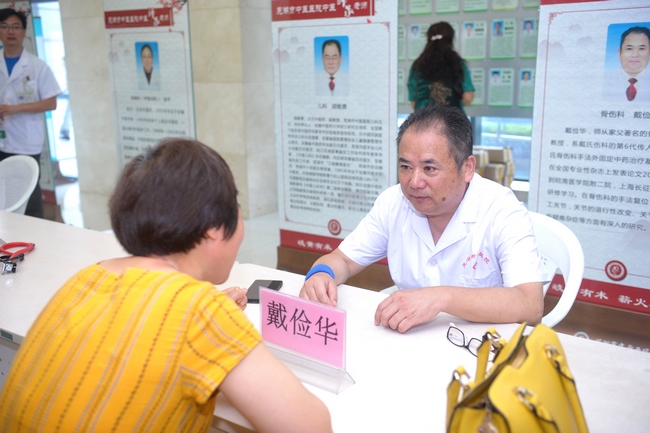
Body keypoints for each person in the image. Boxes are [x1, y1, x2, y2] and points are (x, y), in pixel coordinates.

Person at [0, 138, 332, 433]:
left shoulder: (88, 277)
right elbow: (312, 426)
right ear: (215, 229)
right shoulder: (198, 310)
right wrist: (212, 320)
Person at [300, 105, 547, 333]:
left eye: (429, 169)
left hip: (479, 343)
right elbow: (343, 260)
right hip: (412, 338)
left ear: (467, 168)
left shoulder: (502, 209)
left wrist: (441, 298)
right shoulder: (393, 202)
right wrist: (322, 274)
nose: (414, 182)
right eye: (406, 167)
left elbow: (530, 304)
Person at [0, 8, 61, 218]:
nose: (10, 31)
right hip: (2, 140)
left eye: (16, 27)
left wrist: (15, 109)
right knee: (3, 196)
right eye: (5, 26)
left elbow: (51, 102)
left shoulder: (37, 67)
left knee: (29, 196)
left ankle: (34, 239)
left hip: (26, 143)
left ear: (24, 32)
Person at [407, 22, 475, 114]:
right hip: (452, 121)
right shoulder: (457, 63)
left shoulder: (417, 65)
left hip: (424, 122)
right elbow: (468, 97)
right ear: (450, 39)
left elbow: (414, 102)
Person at [603, 26, 650, 102]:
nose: (635, 55)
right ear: (619, 53)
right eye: (629, 49)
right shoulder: (603, 80)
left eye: (641, 49)